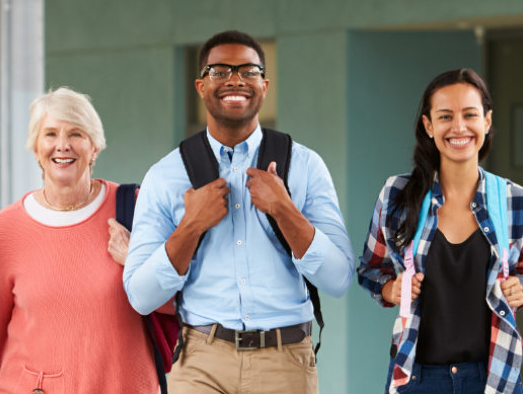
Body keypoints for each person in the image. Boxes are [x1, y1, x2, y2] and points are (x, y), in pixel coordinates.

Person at [122, 30, 353, 394]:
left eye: (248, 71)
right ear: (201, 86)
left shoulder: (305, 166)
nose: (234, 80)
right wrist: (191, 226)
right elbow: (141, 295)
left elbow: (339, 279)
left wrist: (284, 209)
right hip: (199, 360)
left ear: (264, 84)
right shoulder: (166, 175)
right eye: (220, 71)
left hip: (285, 361)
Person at [0, 87, 164, 393]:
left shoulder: (136, 208)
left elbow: (178, 305)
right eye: (50, 134)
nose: (62, 146)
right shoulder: (5, 228)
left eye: (75, 134)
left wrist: (136, 263)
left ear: (94, 147)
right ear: (35, 148)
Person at [356, 69, 523, 394]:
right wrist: (390, 290)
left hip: (494, 376)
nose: (459, 127)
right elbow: (371, 268)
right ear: (429, 125)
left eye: (470, 115)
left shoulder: (513, 199)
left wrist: (520, 288)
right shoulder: (397, 195)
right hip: (417, 378)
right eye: (445, 116)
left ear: (486, 121)